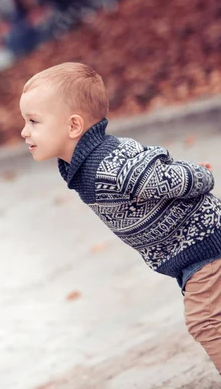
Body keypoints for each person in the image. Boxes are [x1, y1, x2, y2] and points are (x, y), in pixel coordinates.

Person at [19, 62, 221, 372]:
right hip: (186, 252)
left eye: (33, 121)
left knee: (206, 322)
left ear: (73, 126)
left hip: (203, 241)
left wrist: (200, 174)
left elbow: (161, 176)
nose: (24, 131)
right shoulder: (81, 166)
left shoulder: (107, 167)